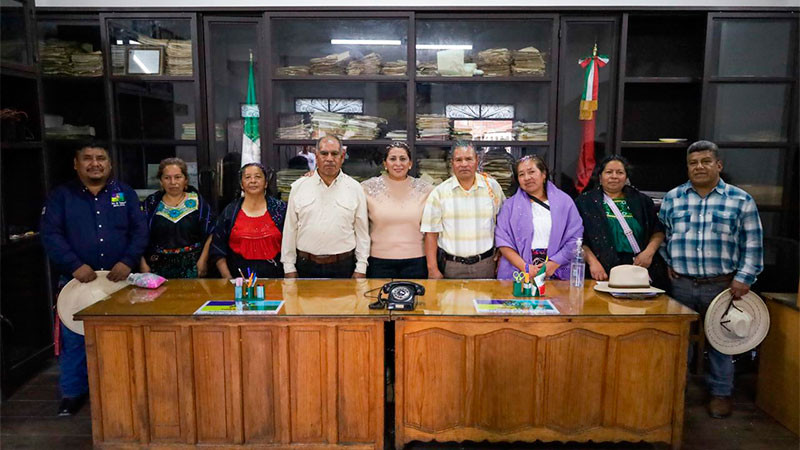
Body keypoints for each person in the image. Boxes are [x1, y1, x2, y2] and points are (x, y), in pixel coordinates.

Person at [659, 140, 763, 419]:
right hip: (680, 285)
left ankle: (720, 393)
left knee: (722, 342)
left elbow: (752, 244)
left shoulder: (740, 200)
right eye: (693, 163)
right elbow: (663, 235)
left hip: (723, 285)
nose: (699, 167)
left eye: (705, 161)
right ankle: (675, 393)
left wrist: (744, 278)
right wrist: (669, 262)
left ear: (719, 165)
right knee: (680, 343)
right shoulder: (673, 198)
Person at [40, 144, 147, 416]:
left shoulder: (125, 194)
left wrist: (127, 260)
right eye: (87, 159)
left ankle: (121, 388)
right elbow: (51, 235)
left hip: (119, 279)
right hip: (78, 282)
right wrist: (74, 265)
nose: (95, 163)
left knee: (121, 337)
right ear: (76, 164)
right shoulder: (61, 197)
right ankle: (72, 393)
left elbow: (140, 231)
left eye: (101, 158)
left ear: (110, 164)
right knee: (75, 339)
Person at [574, 155, 670, 289]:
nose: (614, 176)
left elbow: (657, 231)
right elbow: (577, 238)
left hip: (639, 267)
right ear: (600, 177)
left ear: (626, 177)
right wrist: (592, 262)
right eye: (609, 172)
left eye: (619, 172)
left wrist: (648, 253)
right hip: (602, 270)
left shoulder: (642, 201)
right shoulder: (585, 202)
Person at [281, 135, 369, 278]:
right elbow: (290, 229)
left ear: (342, 156)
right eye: (324, 153)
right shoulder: (299, 187)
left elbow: (362, 232)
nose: (329, 158)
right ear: (316, 156)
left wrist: (361, 267)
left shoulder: (355, 188)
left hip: (343, 266)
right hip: (306, 265)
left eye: (334, 154)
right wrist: (288, 267)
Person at [421, 141, 506, 279]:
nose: (464, 164)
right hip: (452, 266)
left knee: (484, 300)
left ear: (477, 161)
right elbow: (431, 234)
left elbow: (503, 224)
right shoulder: (439, 193)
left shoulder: (492, 187)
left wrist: (502, 253)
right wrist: (432, 269)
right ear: (452, 163)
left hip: (485, 264)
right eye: (459, 160)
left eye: (468, 159)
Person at [495, 155, 583, 280]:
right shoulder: (509, 206)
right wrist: (525, 267)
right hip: (519, 271)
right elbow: (503, 241)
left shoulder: (564, 202)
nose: (527, 178)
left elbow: (575, 237)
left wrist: (553, 264)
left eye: (531, 172)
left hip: (556, 269)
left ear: (543, 174)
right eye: (521, 174)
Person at [361, 142, 433, 278]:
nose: (398, 163)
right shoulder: (367, 188)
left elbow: (432, 230)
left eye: (403, 159)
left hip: (417, 262)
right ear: (385, 164)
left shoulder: (426, 190)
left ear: (410, 163)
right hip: (378, 263)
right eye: (392, 159)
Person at [141, 158, 215, 278]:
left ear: (185, 180)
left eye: (178, 177)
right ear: (161, 181)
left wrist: (203, 261)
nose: (172, 182)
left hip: (192, 265)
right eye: (167, 178)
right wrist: (142, 263)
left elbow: (211, 233)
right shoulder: (150, 204)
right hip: (157, 267)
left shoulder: (198, 203)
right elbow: (138, 234)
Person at [211, 162, 287, 279]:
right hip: (238, 279)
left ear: (266, 183)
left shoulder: (281, 209)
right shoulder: (230, 212)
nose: (253, 181)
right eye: (247, 177)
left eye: (258, 177)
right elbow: (218, 248)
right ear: (242, 184)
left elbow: (291, 244)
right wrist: (227, 278)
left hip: (276, 278)